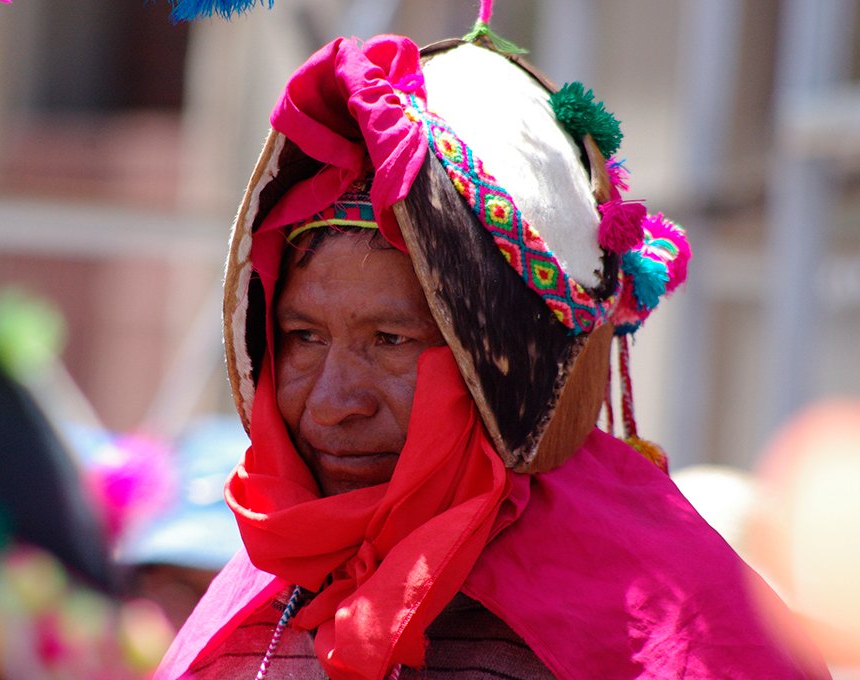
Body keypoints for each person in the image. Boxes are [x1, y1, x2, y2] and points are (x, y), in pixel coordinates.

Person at [154, 9, 830, 680]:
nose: (333, 403)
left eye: (390, 340)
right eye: (302, 337)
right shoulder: (245, 609)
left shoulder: (675, 634)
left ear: (503, 358)